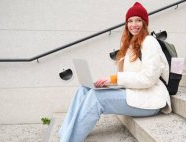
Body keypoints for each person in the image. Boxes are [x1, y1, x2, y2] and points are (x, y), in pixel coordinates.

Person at [58, 2, 171, 142]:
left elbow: (148, 79)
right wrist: (108, 84)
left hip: (151, 100)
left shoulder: (149, 42)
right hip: (135, 93)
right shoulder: (130, 45)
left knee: (96, 98)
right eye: (130, 21)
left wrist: (114, 79)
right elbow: (128, 78)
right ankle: (65, 133)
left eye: (138, 20)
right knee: (83, 89)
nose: (133, 24)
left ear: (145, 23)